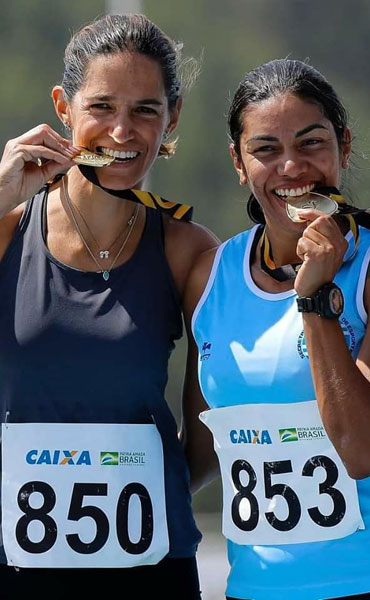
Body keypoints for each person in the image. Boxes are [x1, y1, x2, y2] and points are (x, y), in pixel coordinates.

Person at [183, 59, 370, 600]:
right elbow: (200, 451)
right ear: (238, 163)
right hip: (256, 589)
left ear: (344, 147)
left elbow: (359, 449)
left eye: (311, 143)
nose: (291, 166)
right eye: (265, 150)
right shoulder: (209, 274)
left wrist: (314, 299)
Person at [0, 14, 217, 599]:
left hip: (151, 568)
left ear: (172, 118)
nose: (123, 130)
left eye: (146, 109)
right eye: (102, 106)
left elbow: (209, 434)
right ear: (63, 107)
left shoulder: (187, 251)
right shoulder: (6, 228)